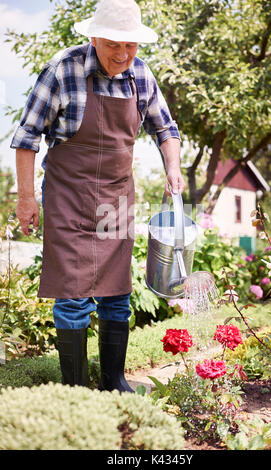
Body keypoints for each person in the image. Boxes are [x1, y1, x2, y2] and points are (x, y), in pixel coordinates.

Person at [11, 0, 185, 392]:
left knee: (116, 293)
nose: (123, 55)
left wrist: (172, 166)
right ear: (94, 38)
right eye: (114, 45)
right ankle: (76, 389)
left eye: (131, 46)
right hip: (68, 198)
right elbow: (26, 138)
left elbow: (166, 128)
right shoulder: (62, 70)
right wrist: (26, 199)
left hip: (115, 201)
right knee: (73, 296)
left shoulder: (140, 74)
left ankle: (114, 380)